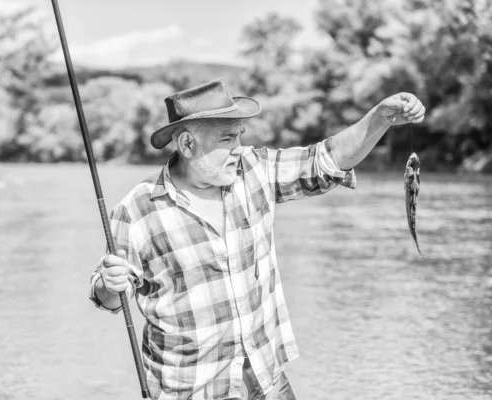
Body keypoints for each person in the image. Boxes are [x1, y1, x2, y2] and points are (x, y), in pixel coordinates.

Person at [89, 79, 425, 400]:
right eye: (226, 139)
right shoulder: (138, 208)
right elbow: (109, 298)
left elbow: (328, 159)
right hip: (190, 391)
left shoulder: (253, 169)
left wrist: (380, 118)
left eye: (239, 135)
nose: (239, 148)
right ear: (188, 144)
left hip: (267, 380)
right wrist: (110, 285)